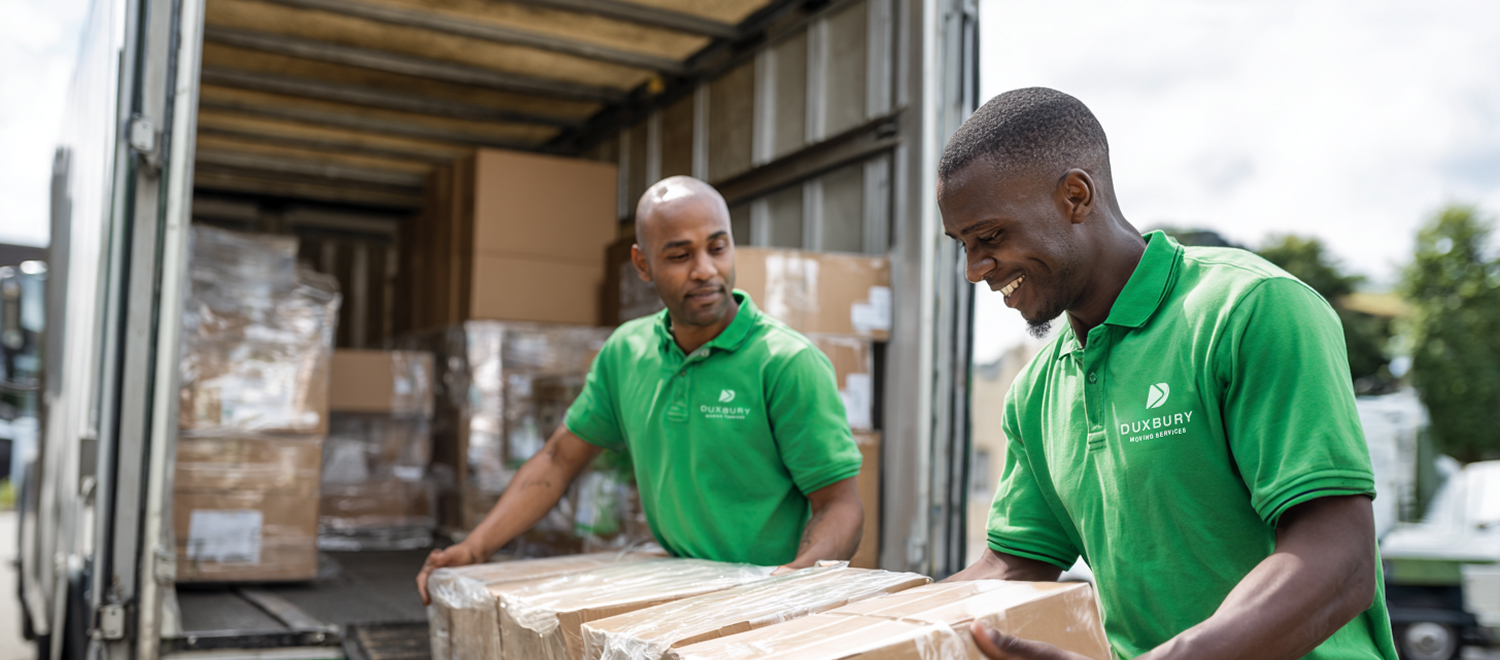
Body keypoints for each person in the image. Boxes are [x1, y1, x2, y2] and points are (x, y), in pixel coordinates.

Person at [938, 88, 1398, 660]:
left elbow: (1340, 561)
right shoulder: (1036, 393)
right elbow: (1011, 566)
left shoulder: (1249, 309)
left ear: (1076, 197)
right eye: (962, 245)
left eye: (989, 237)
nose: (974, 269)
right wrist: (859, 629)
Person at [416, 176, 865, 604]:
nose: (705, 270)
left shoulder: (786, 362)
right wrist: (473, 548)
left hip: (765, 600)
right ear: (642, 264)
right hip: (679, 591)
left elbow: (839, 503)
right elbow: (559, 458)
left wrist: (794, 579)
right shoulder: (627, 353)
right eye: (680, 255)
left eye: (717, 247)